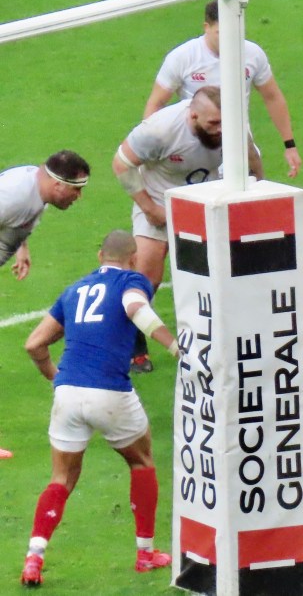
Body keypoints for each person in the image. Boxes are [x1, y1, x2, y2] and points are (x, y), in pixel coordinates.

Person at [18, 230, 180, 586]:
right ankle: (145, 554)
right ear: (133, 259)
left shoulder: (74, 290)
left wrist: (58, 379)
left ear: (99, 256)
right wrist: (174, 346)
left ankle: (33, 558)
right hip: (110, 392)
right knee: (141, 461)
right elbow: (135, 308)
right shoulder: (131, 281)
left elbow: (34, 344)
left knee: (61, 478)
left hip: (68, 393)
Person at [113, 86, 260, 372]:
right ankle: (132, 343)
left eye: (224, 122)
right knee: (146, 276)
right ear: (193, 116)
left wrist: (255, 198)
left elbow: (251, 160)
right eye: (213, 123)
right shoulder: (160, 130)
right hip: (159, 201)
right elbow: (121, 164)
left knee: (219, 270)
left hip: (205, 202)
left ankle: (219, 336)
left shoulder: (232, 125)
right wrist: (148, 208)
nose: (221, 130)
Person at [144, 0, 301, 178]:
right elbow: (157, 103)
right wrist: (149, 146)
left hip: (240, 148)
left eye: (234, 31)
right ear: (206, 27)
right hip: (196, 149)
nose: (228, 39)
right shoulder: (183, 57)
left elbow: (272, 97)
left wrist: (290, 145)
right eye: (221, 32)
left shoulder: (252, 54)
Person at [1, 151, 90, 281]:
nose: (79, 196)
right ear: (58, 185)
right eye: (76, 189)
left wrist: (21, 246)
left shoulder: (40, 186)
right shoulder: (13, 198)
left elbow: (18, 216)